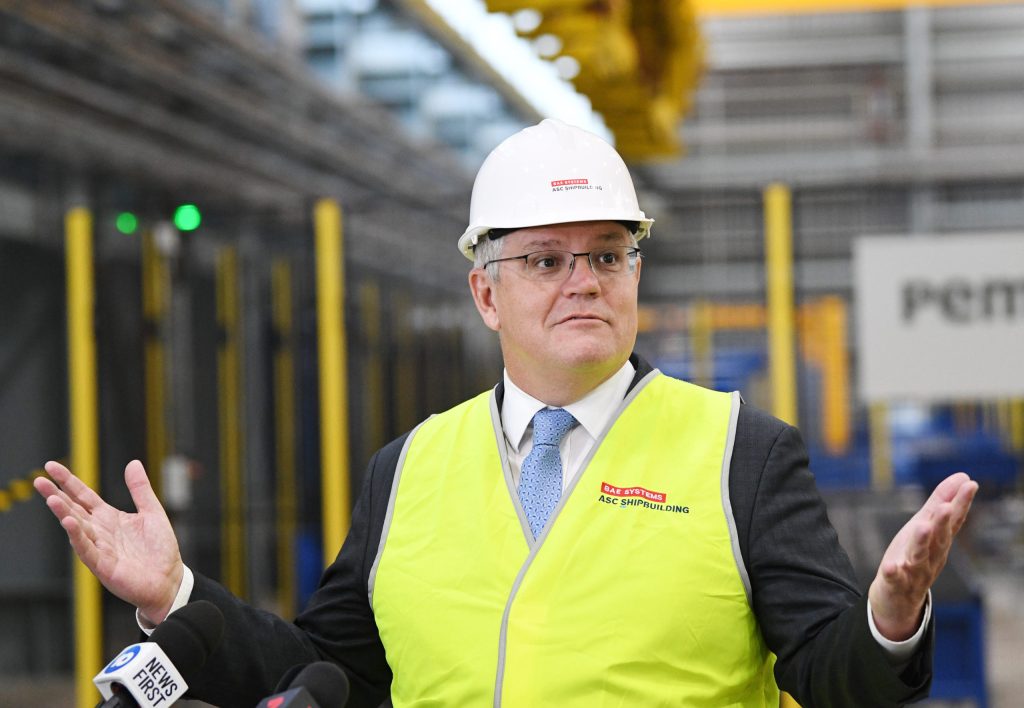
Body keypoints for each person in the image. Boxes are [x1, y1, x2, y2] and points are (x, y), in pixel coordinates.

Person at [36, 119, 977, 707]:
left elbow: (832, 674)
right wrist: (176, 597)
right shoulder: (406, 469)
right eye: (546, 259)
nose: (584, 282)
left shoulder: (742, 452)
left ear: (636, 274)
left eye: (608, 256)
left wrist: (888, 618)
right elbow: (331, 674)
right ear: (485, 293)